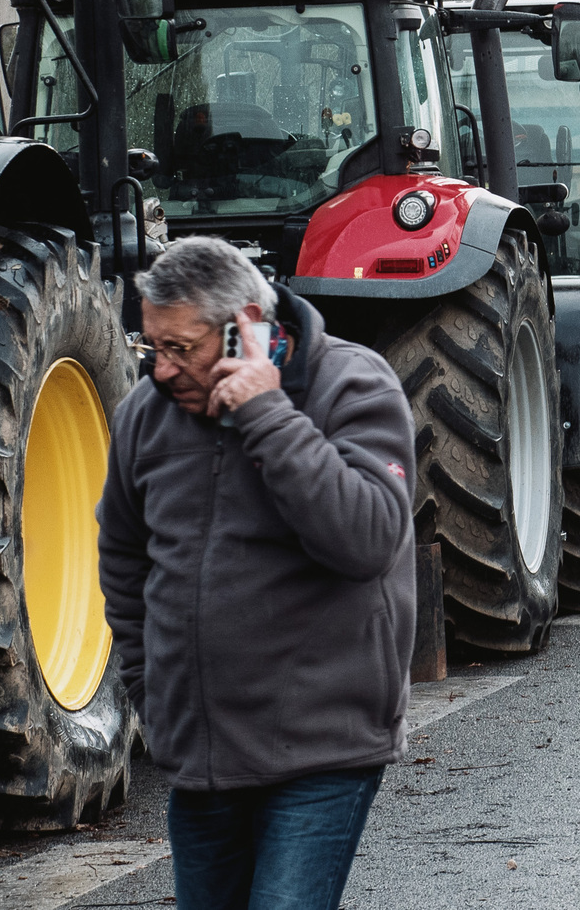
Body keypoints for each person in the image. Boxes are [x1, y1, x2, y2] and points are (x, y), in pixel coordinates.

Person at [98, 239, 420, 910]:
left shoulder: (353, 386)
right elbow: (123, 558)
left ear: (245, 326)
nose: (160, 369)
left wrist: (268, 415)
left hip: (320, 748)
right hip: (202, 753)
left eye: (179, 348)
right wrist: (151, 690)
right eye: (150, 344)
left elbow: (366, 539)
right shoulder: (144, 415)